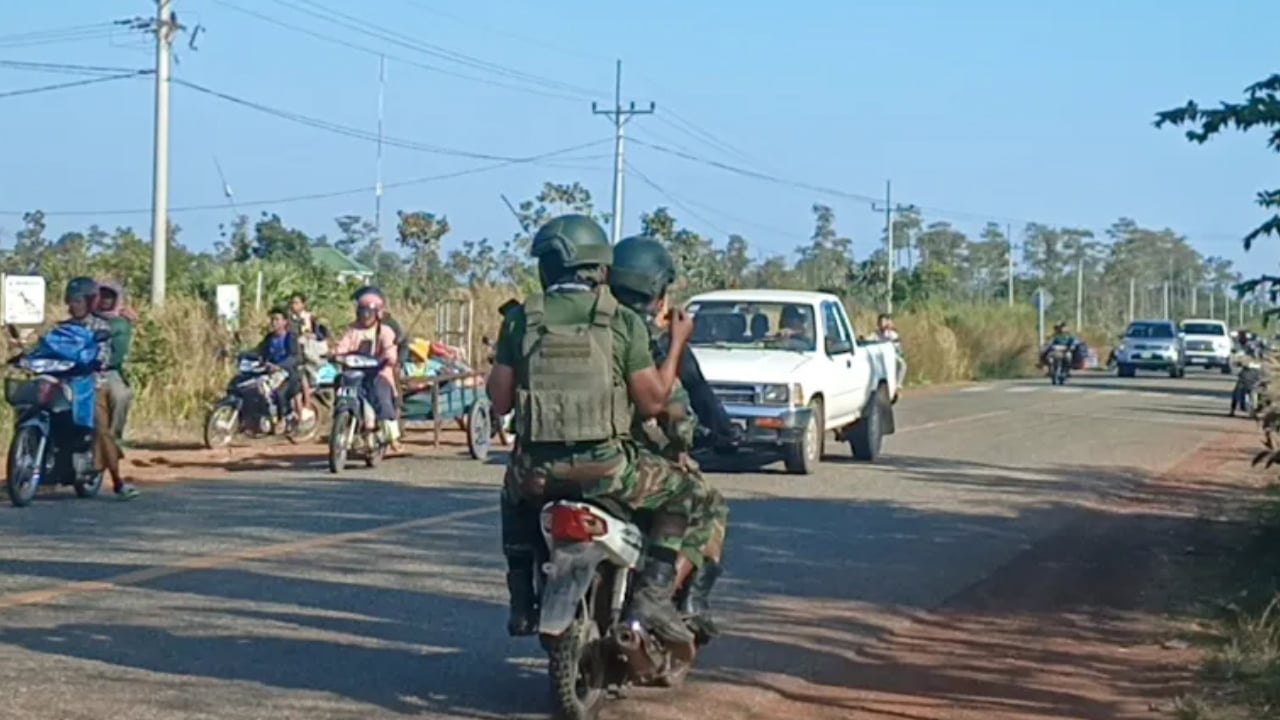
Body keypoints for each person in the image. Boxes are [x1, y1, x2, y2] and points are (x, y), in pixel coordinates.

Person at [488, 214, 703, 645]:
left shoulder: (520, 320)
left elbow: (499, 402)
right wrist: (677, 341)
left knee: (512, 497)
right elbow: (653, 401)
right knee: (686, 494)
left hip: (538, 473)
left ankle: (520, 598)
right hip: (608, 471)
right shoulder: (620, 320)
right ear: (600, 269)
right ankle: (654, 598)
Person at [609, 234, 731, 640]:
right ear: (658, 294)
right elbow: (675, 411)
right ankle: (679, 600)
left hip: (558, 466)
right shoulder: (653, 342)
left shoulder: (584, 329)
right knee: (706, 504)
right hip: (630, 467)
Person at [62, 277, 138, 500]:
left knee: (99, 425)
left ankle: (117, 480)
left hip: (91, 382)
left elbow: (106, 354)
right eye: (72, 301)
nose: (74, 305)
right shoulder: (65, 326)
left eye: (79, 301)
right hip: (63, 380)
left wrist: (93, 362)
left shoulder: (105, 327)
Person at [336, 288, 403, 452]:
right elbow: (342, 346)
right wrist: (336, 354)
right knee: (340, 383)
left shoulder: (384, 331)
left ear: (378, 313)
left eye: (369, 313)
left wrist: (389, 358)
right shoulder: (352, 330)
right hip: (356, 371)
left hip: (379, 372)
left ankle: (392, 437)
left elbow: (390, 349)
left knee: (381, 397)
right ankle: (342, 417)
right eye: (362, 312)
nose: (365, 316)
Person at [95, 279, 136, 446]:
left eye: (109, 297)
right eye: (101, 295)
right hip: (76, 367)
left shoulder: (120, 323)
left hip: (106, 369)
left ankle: (113, 439)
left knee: (121, 396)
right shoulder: (84, 316)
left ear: (116, 300)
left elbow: (117, 354)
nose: (104, 300)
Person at [257, 307, 303, 430]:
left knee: (279, 393)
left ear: (285, 322)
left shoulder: (290, 338)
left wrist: (280, 366)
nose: (274, 322)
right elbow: (259, 351)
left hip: (289, 374)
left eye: (277, 319)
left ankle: (283, 417)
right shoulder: (269, 338)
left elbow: (295, 357)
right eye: (272, 319)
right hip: (271, 373)